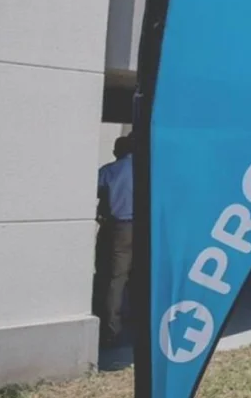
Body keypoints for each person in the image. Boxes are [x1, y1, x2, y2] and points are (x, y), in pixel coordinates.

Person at [97, 135, 134, 347]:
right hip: (145, 228)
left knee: (115, 277)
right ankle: (137, 318)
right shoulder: (148, 170)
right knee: (140, 275)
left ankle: (112, 328)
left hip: (118, 227)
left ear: (116, 151)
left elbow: (94, 191)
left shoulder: (109, 171)